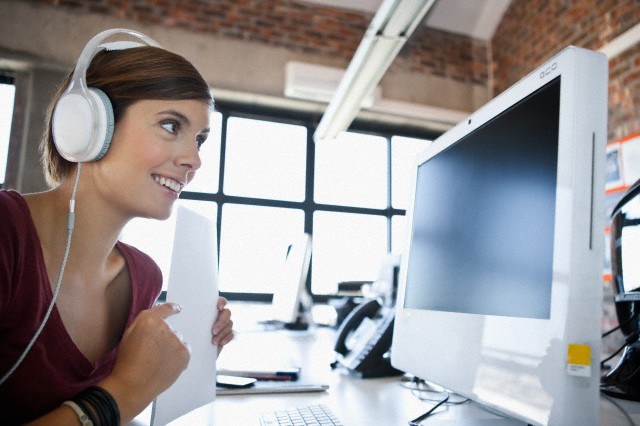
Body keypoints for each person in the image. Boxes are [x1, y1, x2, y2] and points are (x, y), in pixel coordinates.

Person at [0, 30, 234, 425]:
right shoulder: (6, 235)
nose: (194, 159)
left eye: (200, 140)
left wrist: (178, 360)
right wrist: (126, 389)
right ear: (89, 127)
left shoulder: (143, 277)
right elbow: (118, 399)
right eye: (171, 126)